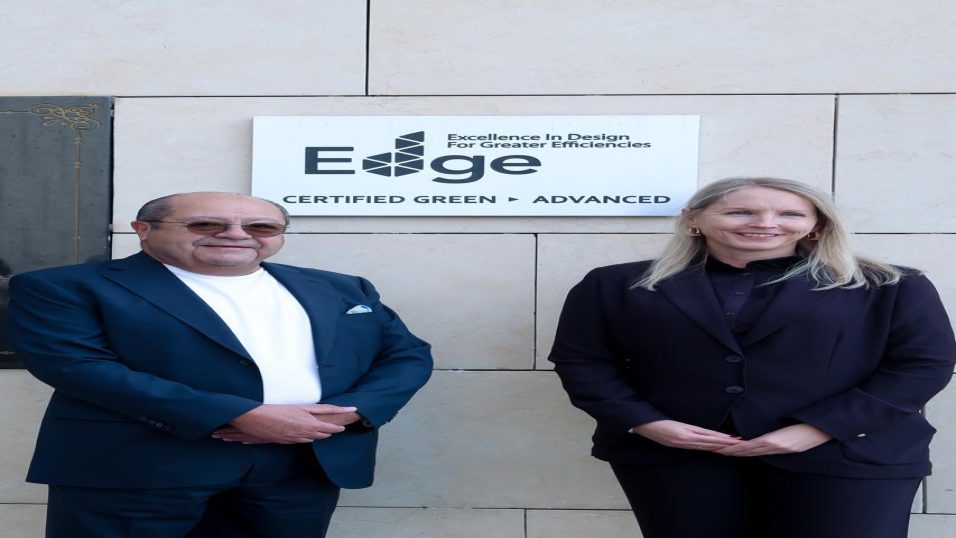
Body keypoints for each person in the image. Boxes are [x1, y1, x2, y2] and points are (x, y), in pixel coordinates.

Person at [8, 192, 433, 538]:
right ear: (143, 229)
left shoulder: (342, 287)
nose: (235, 234)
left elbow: (406, 354)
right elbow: (77, 367)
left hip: (300, 465)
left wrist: (352, 412)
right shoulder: (62, 287)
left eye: (260, 227)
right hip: (138, 468)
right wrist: (238, 414)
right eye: (205, 224)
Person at [549, 177, 956, 538]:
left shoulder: (889, 284)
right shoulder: (615, 284)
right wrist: (646, 423)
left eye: (790, 213)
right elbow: (582, 361)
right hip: (679, 458)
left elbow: (923, 365)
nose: (764, 222)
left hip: (848, 455)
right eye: (740, 211)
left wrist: (818, 429)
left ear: (817, 224)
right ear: (694, 219)